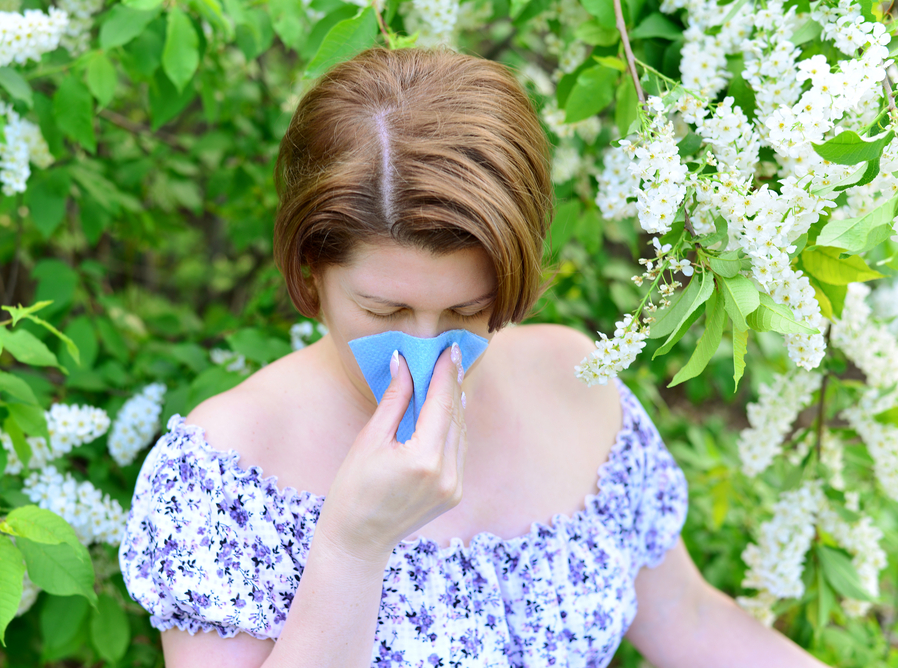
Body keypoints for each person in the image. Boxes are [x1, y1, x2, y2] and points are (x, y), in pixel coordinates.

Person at [119, 46, 830, 668]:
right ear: (311, 274)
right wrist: (353, 548)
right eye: (384, 311)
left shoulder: (572, 380)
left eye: (467, 312)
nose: (428, 350)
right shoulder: (225, 467)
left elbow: (690, 620)